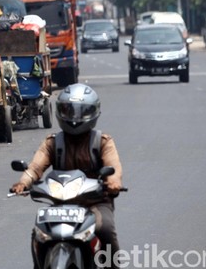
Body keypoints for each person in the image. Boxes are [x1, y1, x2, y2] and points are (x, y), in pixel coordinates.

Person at [10, 83, 124, 268]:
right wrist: (23, 182)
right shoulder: (52, 142)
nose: (74, 118)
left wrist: (113, 182)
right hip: (61, 204)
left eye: (81, 112)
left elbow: (114, 167)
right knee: (40, 232)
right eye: (69, 111)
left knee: (105, 229)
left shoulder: (103, 142)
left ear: (93, 112)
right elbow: (35, 167)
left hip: (95, 202)